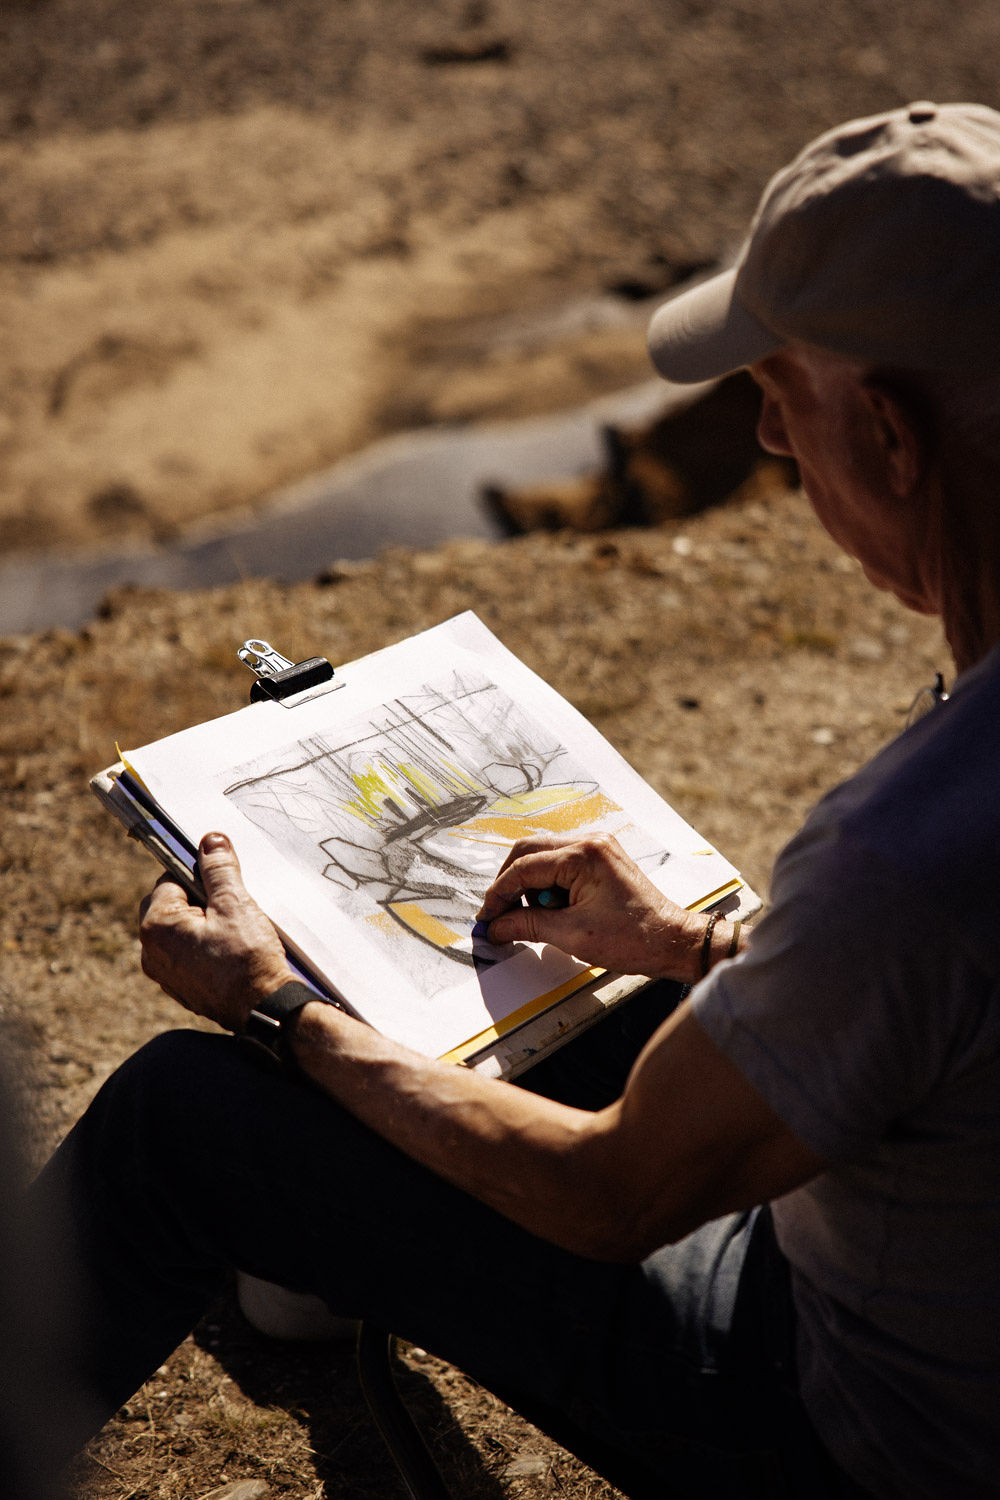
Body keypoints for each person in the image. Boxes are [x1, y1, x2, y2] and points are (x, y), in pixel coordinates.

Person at [38, 101, 1000, 1499]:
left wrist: (277, 1008)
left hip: (852, 1428)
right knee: (582, 999)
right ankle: (321, 1248)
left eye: (782, 423)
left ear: (895, 444)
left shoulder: (905, 853)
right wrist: (687, 949)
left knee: (183, 1110)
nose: (781, 469)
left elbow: (613, 1197)